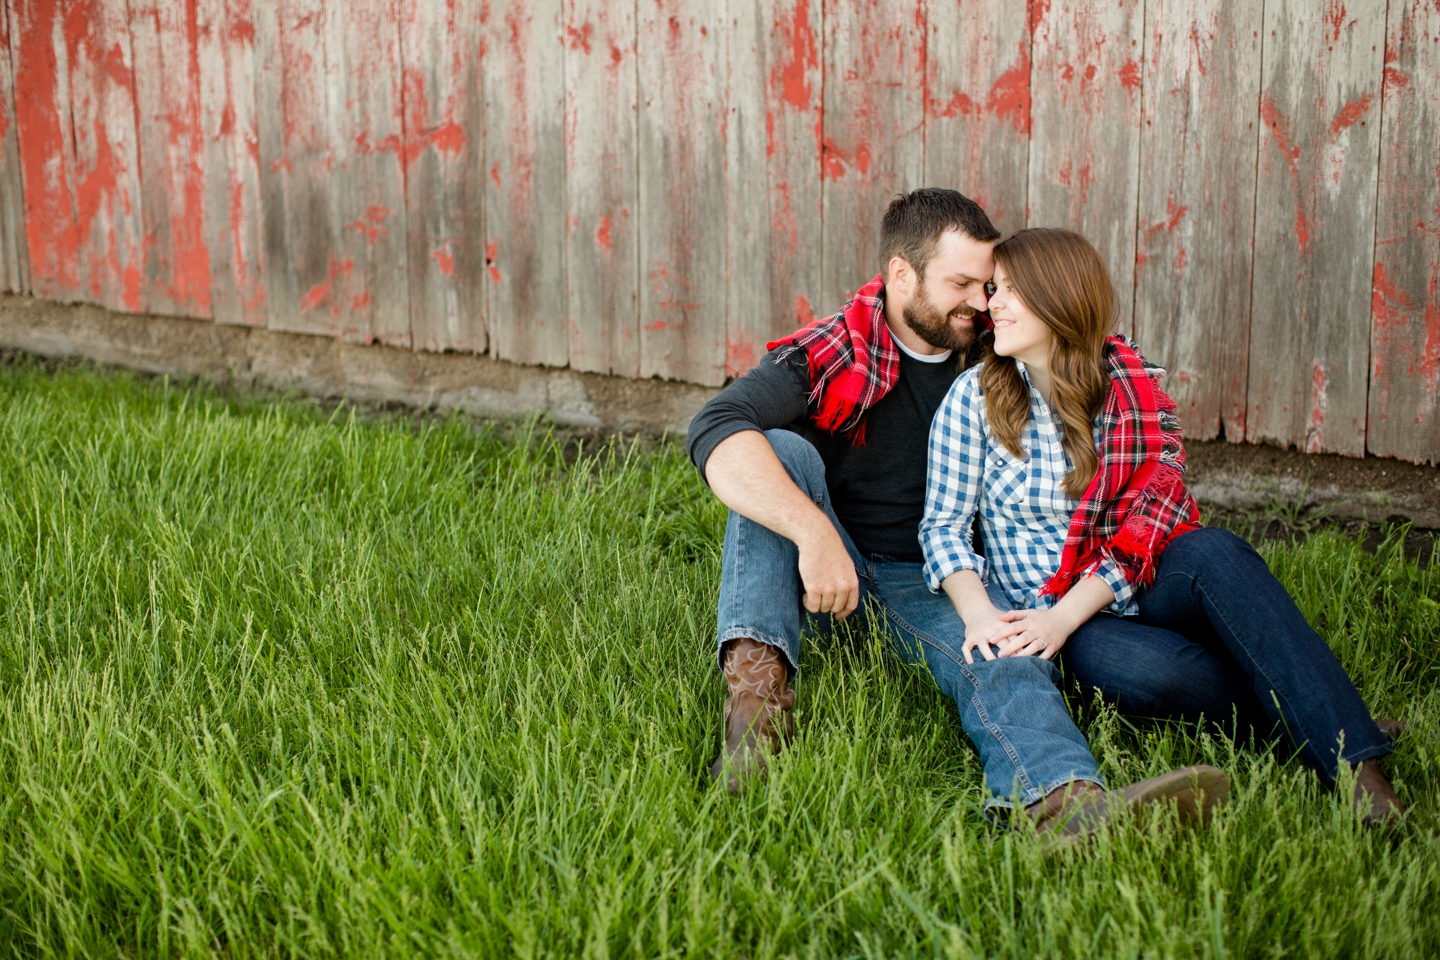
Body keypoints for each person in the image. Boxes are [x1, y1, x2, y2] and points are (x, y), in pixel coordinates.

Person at [687, 189, 1228, 838]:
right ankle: (756, 720)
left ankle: (1062, 806)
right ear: (901, 276)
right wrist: (813, 534)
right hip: (834, 577)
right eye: (963, 283)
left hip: (945, 574)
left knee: (998, 651)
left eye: (990, 284)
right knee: (774, 451)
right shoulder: (836, 351)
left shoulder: (994, 346)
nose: (983, 301)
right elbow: (713, 426)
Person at [919, 227, 1403, 826]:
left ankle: (1362, 776)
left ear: (1061, 297)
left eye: (1012, 290)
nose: (992, 303)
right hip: (1050, 608)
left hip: (1135, 575)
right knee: (1151, 671)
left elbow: (1158, 514)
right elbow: (943, 528)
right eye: (995, 289)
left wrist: (1066, 612)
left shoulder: (1130, 387)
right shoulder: (975, 398)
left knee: (1216, 552)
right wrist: (985, 615)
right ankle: (1316, 710)